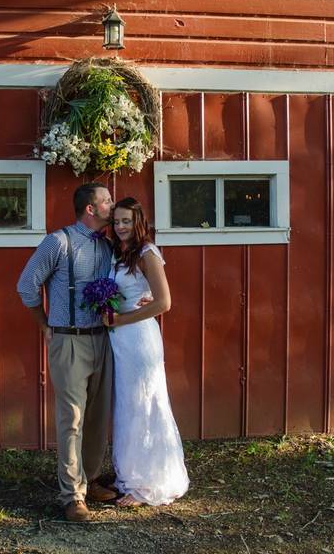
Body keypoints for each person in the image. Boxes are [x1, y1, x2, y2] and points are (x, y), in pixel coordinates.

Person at [16, 182, 119, 522]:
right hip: (69, 339)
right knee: (72, 419)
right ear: (91, 209)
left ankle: (86, 481)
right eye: (106, 200)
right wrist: (45, 325)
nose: (112, 204)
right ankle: (72, 495)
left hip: (103, 338)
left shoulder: (107, 246)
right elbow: (26, 284)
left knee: (98, 417)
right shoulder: (57, 241)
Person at [102, 197, 189, 507]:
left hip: (139, 337)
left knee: (143, 403)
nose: (121, 227)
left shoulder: (147, 252)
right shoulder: (118, 252)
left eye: (126, 221)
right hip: (119, 339)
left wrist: (122, 319)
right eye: (117, 221)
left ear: (139, 222)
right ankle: (128, 473)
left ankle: (146, 483)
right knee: (126, 405)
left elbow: (163, 302)